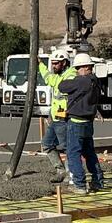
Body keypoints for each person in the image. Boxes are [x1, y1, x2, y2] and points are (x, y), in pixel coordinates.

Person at [58, 54, 105, 193]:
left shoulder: (81, 81)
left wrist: (70, 75)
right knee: (89, 153)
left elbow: (62, 86)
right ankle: (97, 182)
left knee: (73, 154)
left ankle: (79, 185)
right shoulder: (95, 81)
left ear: (85, 67)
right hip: (88, 123)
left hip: (76, 122)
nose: (77, 71)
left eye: (78, 68)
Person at [37, 49, 76, 182]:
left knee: (68, 148)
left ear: (64, 63)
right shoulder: (59, 76)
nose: (53, 66)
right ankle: (61, 171)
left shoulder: (71, 76)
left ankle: (71, 174)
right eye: (52, 63)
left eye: (56, 63)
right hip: (56, 118)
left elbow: (56, 84)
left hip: (64, 119)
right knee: (47, 144)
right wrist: (40, 64)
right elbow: (48, 78)